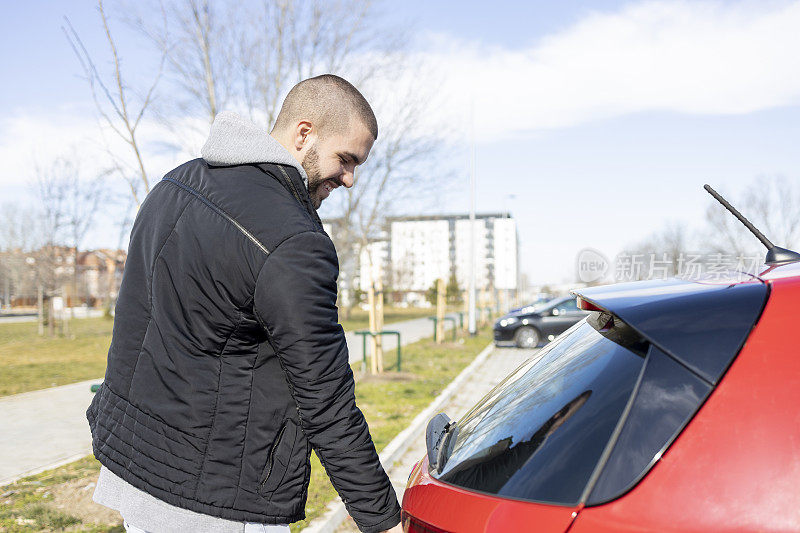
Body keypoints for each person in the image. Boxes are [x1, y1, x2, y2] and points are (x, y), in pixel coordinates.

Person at [87, 74, 402, 533]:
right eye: (346, 159)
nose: (350, 179)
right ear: (304, 133)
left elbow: (134, 320)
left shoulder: (176, 183)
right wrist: (382, 520)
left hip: (135, 463)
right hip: (214, 500)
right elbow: (327, 400)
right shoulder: (295, 242)